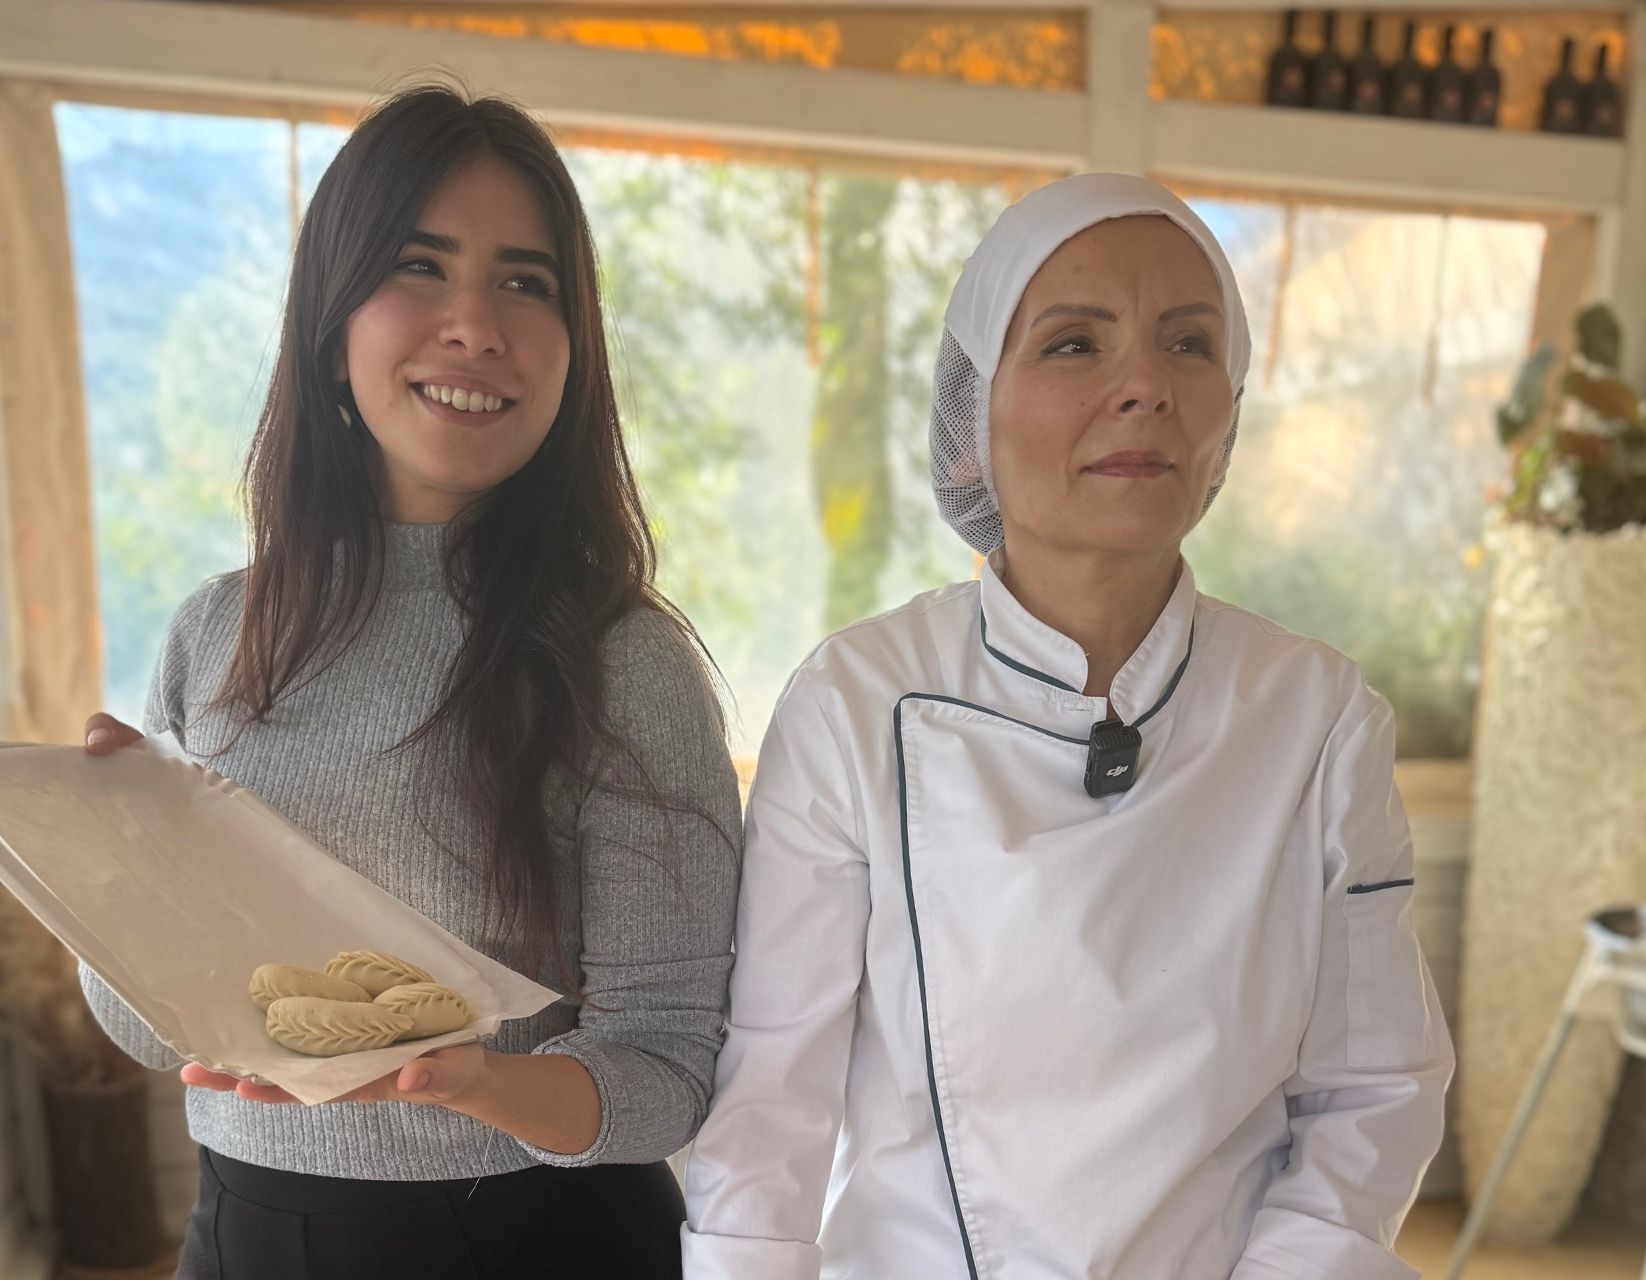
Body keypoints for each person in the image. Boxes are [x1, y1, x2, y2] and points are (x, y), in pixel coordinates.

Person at [680, 172, 1452, 1280]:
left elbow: (1372, 1090)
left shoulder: (1317, 717)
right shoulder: (857, 700)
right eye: (1076, 345)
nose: (1145, 386)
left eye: (1188, 344)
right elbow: (771, 1095)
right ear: (971, 418)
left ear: (1229, 407)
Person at [77, 84, 742, 1280]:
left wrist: (483, 1085)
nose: (475, 324)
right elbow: (147, 1025)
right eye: (421, 268)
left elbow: (669, 1069)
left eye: (526, 282)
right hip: (244, 1236)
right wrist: (112, 869)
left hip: (533, 1242)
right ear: (333, 324)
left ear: (571, 346)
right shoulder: (214, 631)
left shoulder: (624, 660)